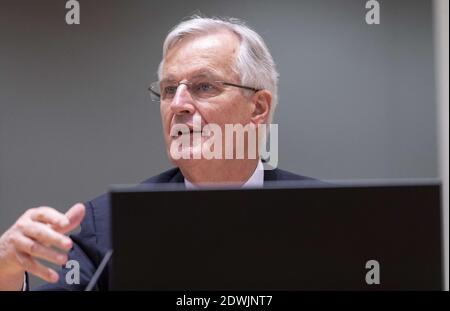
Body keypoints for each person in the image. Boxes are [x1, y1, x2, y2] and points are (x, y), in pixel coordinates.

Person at [0, 16, 316, 291]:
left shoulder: (327, 216)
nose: (178, 104)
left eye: (204, 86)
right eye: (168, 90)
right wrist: (7, 273)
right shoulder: (107, 224)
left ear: (258, 107)